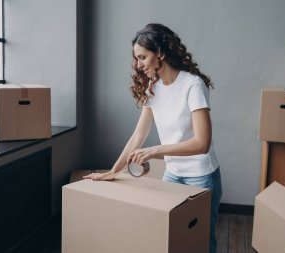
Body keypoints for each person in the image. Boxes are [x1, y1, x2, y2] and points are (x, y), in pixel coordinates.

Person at [83, 23, 222, 253]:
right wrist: (112, 172)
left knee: (200, 243)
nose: (139, 64)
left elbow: (202, 143)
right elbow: (138, 135)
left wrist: (156, 150)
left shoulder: (192, 85)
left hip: (201, 176)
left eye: (143, 57)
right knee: (171, 238)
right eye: (137, 58)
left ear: (160, 53)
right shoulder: (152, 87)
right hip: (173, 173)